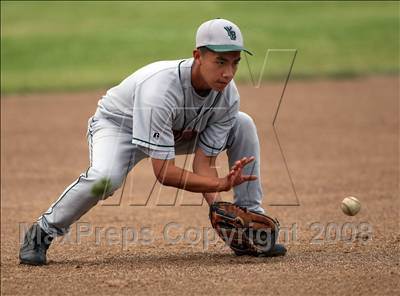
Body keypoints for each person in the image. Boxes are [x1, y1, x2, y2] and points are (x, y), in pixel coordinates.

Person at [19, 18, 286, 265]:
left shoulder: (227, 96)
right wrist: (220, 184)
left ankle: (252, 224)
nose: (228, 73)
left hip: (175, 132)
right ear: (197, 56)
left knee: (243, 123)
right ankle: (42, 232)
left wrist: (219, 206)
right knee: (105, 179)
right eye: (220, 61)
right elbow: (164, 173)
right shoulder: (160, 89)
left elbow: (204, 164)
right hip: (120, 128)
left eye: (235, 62)